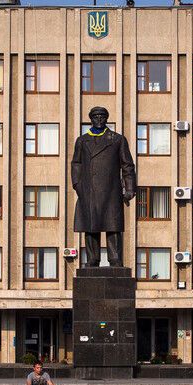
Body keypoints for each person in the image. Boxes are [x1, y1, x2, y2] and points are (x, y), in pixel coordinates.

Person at [71, 106, 137, 267]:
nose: (99, 119)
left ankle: (115, 258)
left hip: (111, 190)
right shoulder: (82, 140)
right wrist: (77, 185)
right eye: (96, 116)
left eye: (102, 116)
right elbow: (76, 164)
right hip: (88, 190)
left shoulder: (117, 139)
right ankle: (93, 258)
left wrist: (129, 188)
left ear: (107, 118)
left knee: (112, 225)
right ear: (91, 119)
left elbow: (127, 165)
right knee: (91, 226)